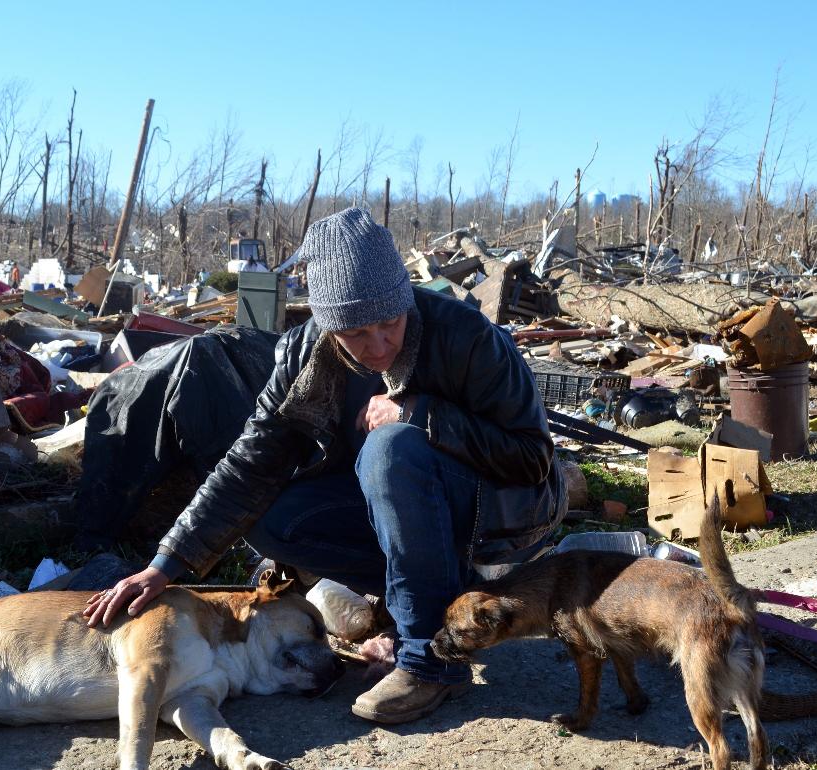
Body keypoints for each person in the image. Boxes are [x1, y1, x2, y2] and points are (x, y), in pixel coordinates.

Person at [83, 207, 566, 724]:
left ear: (407, 302)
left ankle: (429, 659)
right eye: (356, 332)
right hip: (404, 512)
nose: (378, 345)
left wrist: (420, 413)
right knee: (273, 520)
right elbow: (249, 465)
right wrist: (165, 564)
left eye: (390, 323)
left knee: (390, 448)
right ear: (328, 325)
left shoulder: (467, 337)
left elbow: (532, 460)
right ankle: (431, 592)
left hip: (499, 512)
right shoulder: (303, 358)